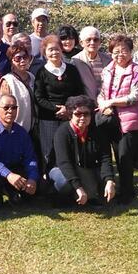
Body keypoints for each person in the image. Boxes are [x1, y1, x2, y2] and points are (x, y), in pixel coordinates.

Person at [97, 34, 138, 205]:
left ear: (131, 52)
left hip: (129, 119)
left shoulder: (137, 70)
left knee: (125, 156)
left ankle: (127, 192)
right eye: (116, 52)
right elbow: (102, 93)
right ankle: (117, 188)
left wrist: (112, 102)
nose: (120, 55)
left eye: (124, 51)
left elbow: (135, 96)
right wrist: (104, 105)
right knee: (115, 155)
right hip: (110, 118)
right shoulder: (107, 70)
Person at [49, 95, 116, 207]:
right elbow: (64, 162)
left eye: (86, 114)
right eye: (78, 114)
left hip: (84, 168)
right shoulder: (62, 132)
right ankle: (60, 196)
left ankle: (84, 194)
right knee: (65, 183)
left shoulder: (97, 132)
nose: (82, 117)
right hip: (61, 169)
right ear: (70, 115)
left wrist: (109, 180)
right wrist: (79, 188)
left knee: (95, 188)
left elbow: (106, 158)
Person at [33, 35, 85, 174]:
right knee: (49, 151)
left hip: (70, 116)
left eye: (57, 49)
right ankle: (50, 183)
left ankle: (72, 183)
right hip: (48, 118)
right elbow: (39, 97)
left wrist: (68, 109)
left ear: (61, 50)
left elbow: (79, 91)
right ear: (45, 53)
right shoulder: (41, 72)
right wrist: (56, 109)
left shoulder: (72, 70)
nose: (54, 52)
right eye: (50, 50)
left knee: (70, 149)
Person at [0, 95, 39, 208]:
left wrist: (32, 178)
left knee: (37, 186)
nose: (10, 111)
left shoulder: (21, 132)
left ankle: (12, 192)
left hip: (15, 168)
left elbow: (30, 157)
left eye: (13, 108)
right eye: (6, 107)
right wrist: (9, 175)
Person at [0, 43, 35, 133]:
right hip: (14, 130)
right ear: (11, 61)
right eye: (18, 58)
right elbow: (4, 109)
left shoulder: (32, 77)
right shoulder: (7, 81)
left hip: (33, 130)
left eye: (25, 57)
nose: (22, 61)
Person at [71, 26, 111, 99]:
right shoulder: (76, 61)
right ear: (81, 43)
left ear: (99, 42)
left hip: (107, 102)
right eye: (88, 40)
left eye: (95, 40)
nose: (92, 43)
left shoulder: (108, 60)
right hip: (86, 104)